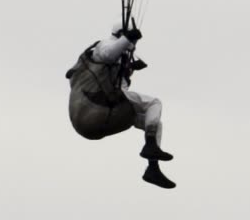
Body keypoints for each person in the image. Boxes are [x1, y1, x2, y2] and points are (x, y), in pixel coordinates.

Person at [66, 24, 175, 189]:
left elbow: (114, 71)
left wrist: (130, 67)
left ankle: (153, 168)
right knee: (154, 103)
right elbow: (108, 54)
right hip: (94, 110)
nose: (135, 43)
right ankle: (150, 145)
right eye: (134, 39)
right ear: (121, 34)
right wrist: (127, 38)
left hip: (103, 115)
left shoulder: (121, 57)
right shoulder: (104, 45)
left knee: (154, 123)